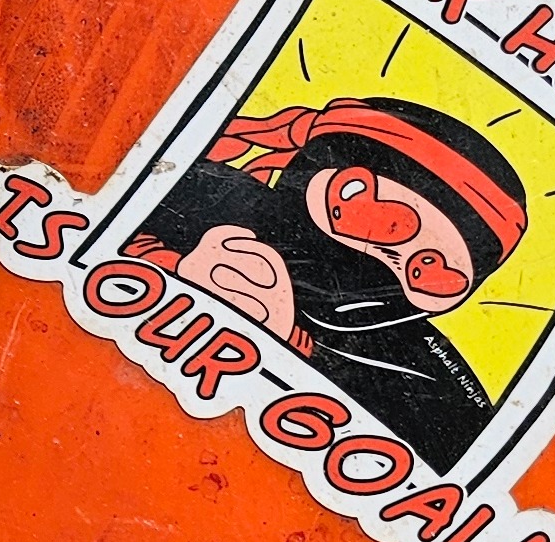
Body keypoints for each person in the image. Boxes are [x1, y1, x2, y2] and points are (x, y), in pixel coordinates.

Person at [124, 97, 528, 468]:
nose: (389, 259)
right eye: (364, 209)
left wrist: (295, 348)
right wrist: (168, 272)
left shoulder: (427, 371)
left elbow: (456, 465)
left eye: (435, 272)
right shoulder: (209, 194)